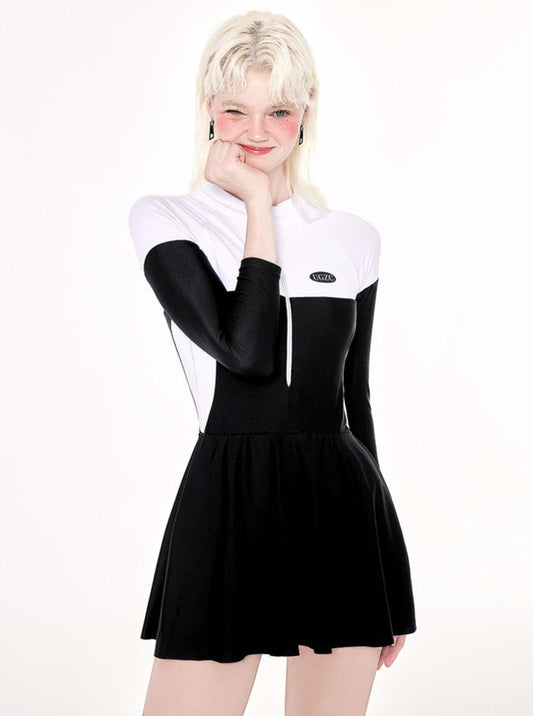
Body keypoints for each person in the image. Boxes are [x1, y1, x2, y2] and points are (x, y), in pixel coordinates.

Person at [128, 9, 417, 716]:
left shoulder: (351, 238)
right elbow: (246, 352)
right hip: (228, 500)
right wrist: (259, 202)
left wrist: (391, 576)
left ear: (305, 113)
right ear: (208, 108)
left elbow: (354, 399)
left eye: (278, 111)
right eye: (236, 110)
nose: (256, 132)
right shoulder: (166, 220)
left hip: (341, 511)